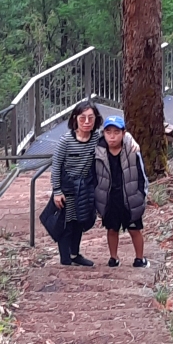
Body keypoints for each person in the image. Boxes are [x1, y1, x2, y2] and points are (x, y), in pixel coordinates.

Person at [50, 99, 102, 266]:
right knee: (66, 223)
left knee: (80, 221)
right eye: (82, 118)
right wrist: (57, 191)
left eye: (90, 118)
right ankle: (65, 259)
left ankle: (75, 254)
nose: (87, 122)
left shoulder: (96, 138)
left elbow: (117, 136)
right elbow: (56, 166)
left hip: (84, 188)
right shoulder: (65, 141)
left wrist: (131, 141)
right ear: (75, 119)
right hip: (67, 188)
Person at [94, 113, 149, 267]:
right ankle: (113, 258)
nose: (112, 136)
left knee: (134, 229)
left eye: (116, 132)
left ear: (124, 133)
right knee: (112, 229)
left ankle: (139, 258)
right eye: (108, 132)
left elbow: (142, 174)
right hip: (110, 199)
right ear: (103, 133)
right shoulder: (98, 150)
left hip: (130, 197)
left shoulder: (132, 150)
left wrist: (141, 195)